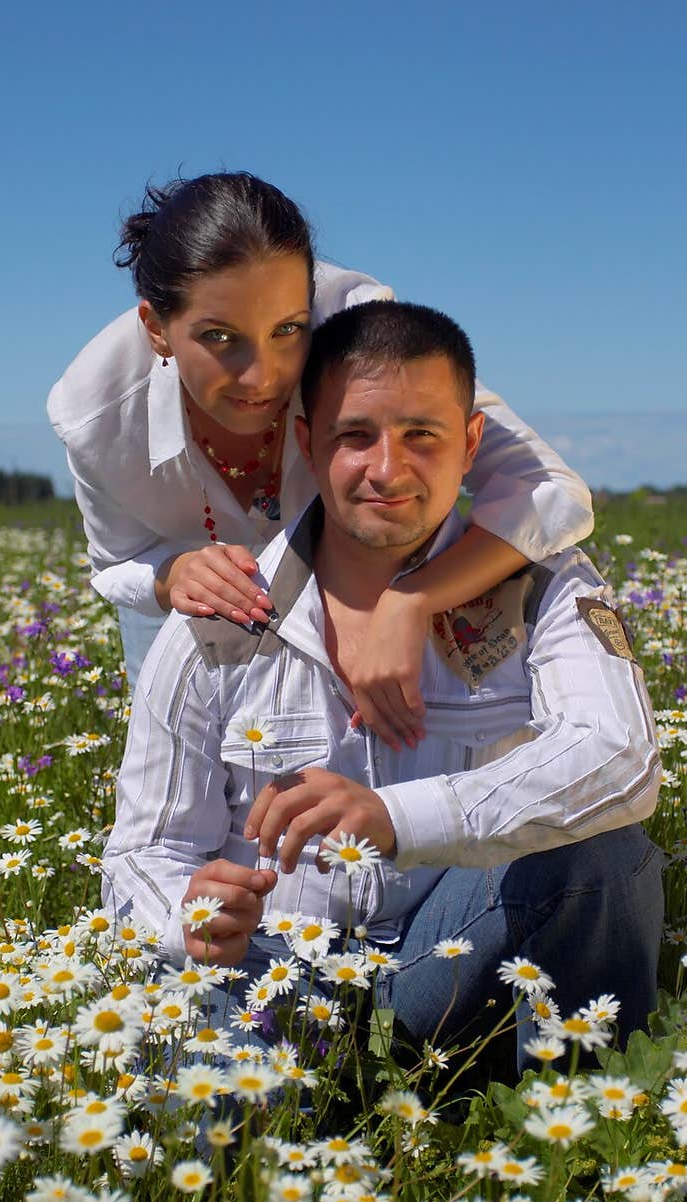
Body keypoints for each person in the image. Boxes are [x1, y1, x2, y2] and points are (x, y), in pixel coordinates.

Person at [101, 299, 665, 1074]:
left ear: (471, 444)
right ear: (308, 441)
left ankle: (584, 1141)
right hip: (278, 970)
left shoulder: (547, 586)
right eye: (355, 435)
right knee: (219, 1100)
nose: (388, 469)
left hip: (460, 958)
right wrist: (188, 917)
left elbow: (622, 762)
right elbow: (141, 852)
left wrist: (395, 818)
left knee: (599, 844)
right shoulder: (222, 612)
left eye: (422, 436)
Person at [47, 171, 595, 749]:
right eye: (219, 337)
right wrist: (170, 575)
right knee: (181, 799)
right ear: (157, 329)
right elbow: (114, 564)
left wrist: (412, 600)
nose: (262, 377)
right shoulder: (95, 416)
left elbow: (552, 492)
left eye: (288, 330)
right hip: (190, 619)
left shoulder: (357, 330)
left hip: (361, 594)